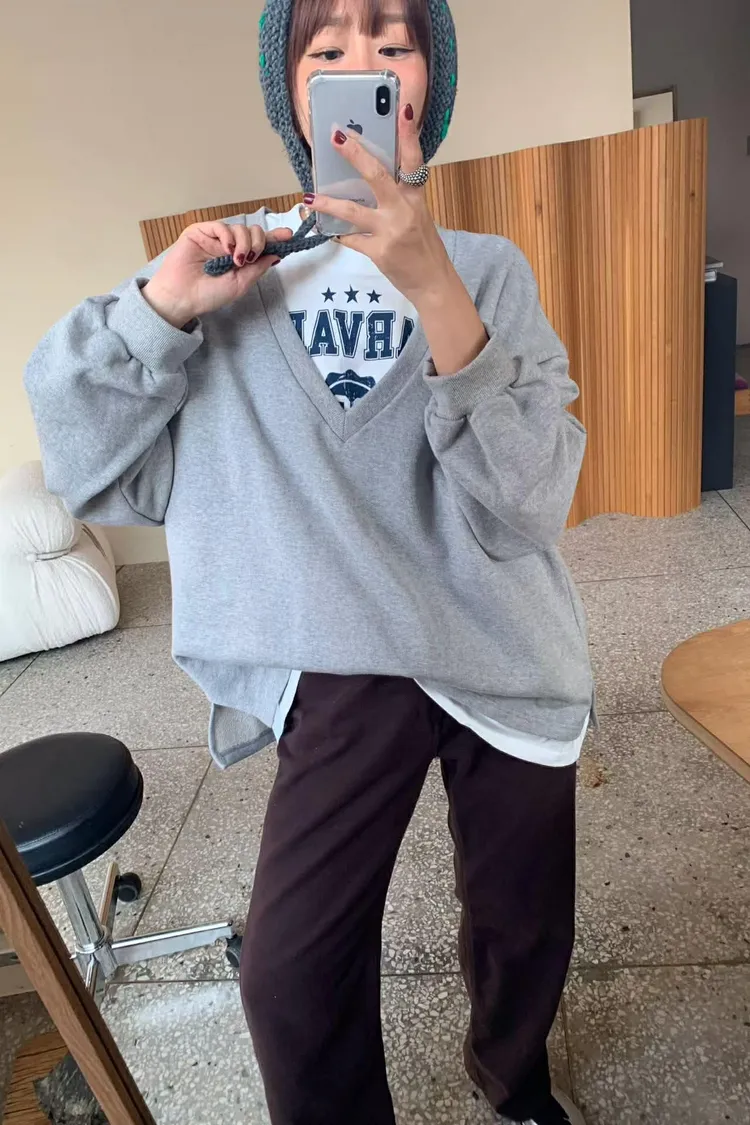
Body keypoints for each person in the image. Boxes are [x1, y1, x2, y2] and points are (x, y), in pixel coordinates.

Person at [24, 0, 596, 1122]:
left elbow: (533, 500)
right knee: (289, 978)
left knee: (526, 917)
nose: (361, 64)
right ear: (292, 97)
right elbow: (87, 460)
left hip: (502, 635)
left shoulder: (488, 270)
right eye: (326, 50)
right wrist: (159, 308)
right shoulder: (230, 269)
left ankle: (514, 1080)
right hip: (338, 655)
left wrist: (434, 286)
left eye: (393, 43)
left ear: (428, 86)